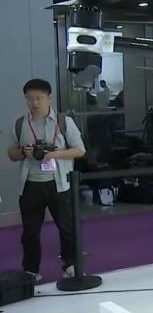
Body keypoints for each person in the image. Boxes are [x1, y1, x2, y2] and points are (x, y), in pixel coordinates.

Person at [5, 78, 86, 282]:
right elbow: (11, 154)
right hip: (30, 184)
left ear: (49, 98)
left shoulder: (63, 122)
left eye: (39, 98)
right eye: (29, 98)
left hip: (59, 183)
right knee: (30, 232)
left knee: (67, 228)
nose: (34, 103)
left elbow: (80, 150)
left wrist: (54, 154)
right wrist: (24, 152)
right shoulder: (20, 124)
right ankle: (31, 269)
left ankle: (71, 265)